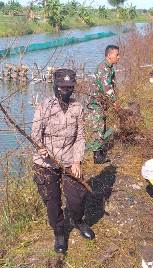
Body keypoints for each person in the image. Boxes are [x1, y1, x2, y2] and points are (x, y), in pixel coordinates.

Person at [32, 68, 95, 254]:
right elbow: (35, 134)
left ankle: (79, 221)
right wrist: (40, 147)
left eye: (70, 87)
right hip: (46, 163)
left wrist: (77, 161)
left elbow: (80, 137)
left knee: (77, 197)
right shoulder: (44, 107)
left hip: (69, 160)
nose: (66, 90)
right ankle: (59, 232)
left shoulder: (77, 107)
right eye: (62, 87)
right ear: (55, 86)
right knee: (52, 201)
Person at [88, 44, 121, 164]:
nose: (119, 57)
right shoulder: (103, 68)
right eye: (117, 55)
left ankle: (100, 151)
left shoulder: (110, 67)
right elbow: (106, 88)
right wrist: (114, 101)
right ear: (109, 55)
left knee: (102, 127)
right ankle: (97, 156)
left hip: (102, 103)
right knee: (98, 128)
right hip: (96, 103)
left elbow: (112, 85)